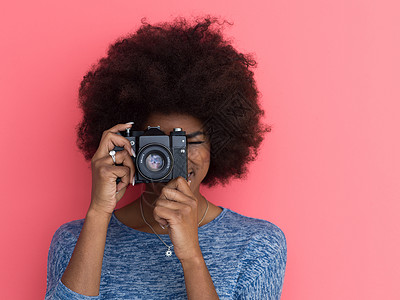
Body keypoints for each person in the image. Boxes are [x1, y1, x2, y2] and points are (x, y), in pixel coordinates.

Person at [45, 16, 287, 299]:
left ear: (218, 144)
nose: (172, 155)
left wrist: (192, 257)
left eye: (190, 141)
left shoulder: (257, 244)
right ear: (129, 143)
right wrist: (99, 213)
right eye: (157, 142)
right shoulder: (73, 240)